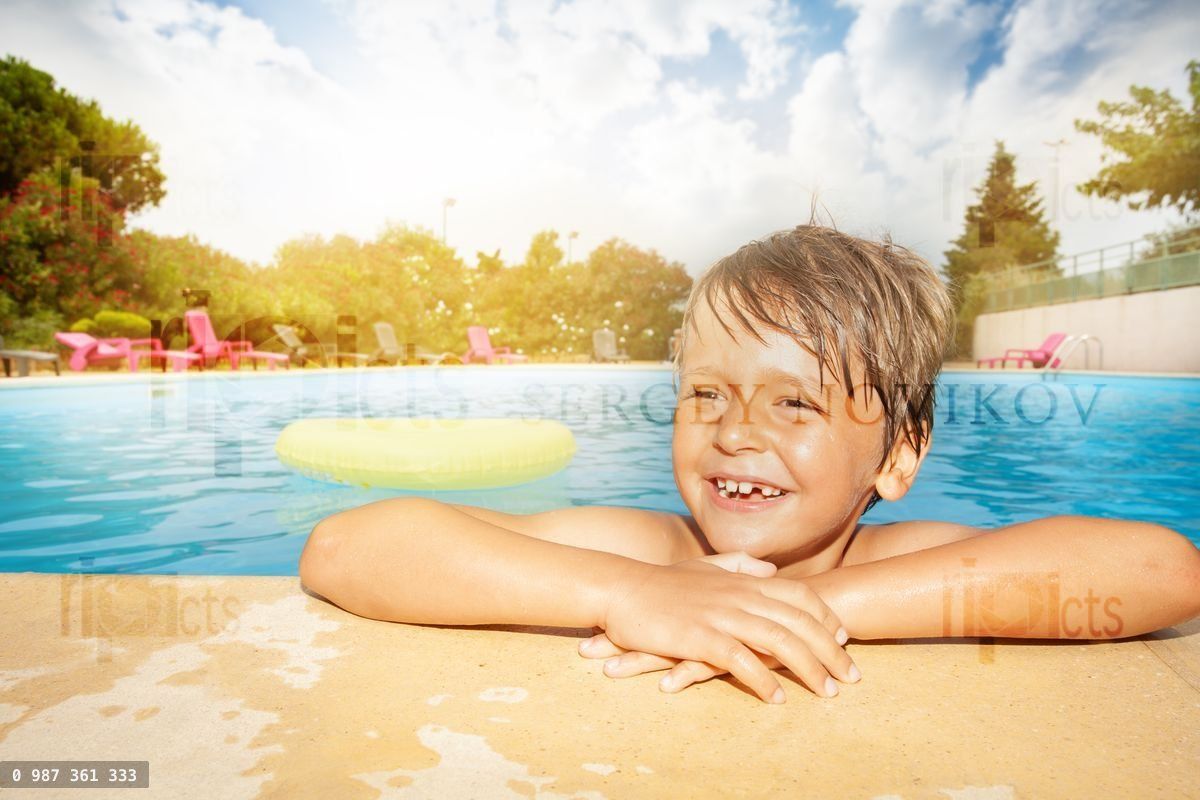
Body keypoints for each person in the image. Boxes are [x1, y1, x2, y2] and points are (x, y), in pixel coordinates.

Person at [298, 224, 1200, 705]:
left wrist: (807, 608)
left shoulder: (903, 562)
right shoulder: (649, 550)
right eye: (705, 394)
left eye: (795, 402)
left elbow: (1159, 570)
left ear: (897, 455)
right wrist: (624, 594)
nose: (733, 432)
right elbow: (348, 547)